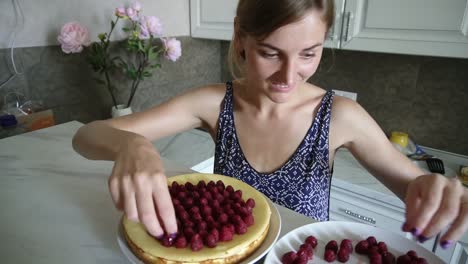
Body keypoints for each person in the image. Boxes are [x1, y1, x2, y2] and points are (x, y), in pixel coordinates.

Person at [73, 0, 467, 249]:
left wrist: (429, 189)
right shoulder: (215, 103)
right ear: (241, 40)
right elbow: (84, 136)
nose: (288, 75)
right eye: (269, 53)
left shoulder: (339, 116)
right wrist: (131, 145)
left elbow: (413, 184)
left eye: (309, 53)